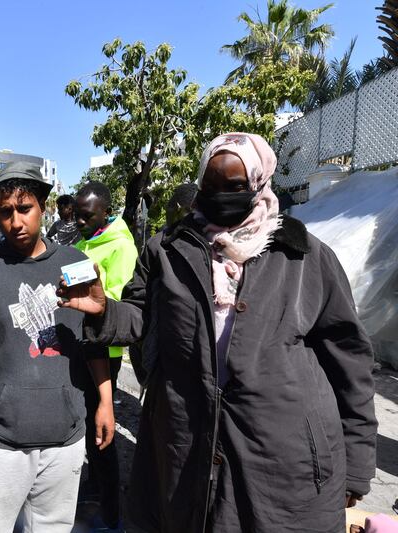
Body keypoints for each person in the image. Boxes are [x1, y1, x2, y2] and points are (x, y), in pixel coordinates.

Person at [59, 133, 377, 532]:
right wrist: (105, 312)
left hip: (284, 460)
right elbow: (139, 317)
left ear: (259, 184)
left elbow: (348, 359)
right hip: (185, 447)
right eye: (212, 186)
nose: (222, 196)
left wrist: (358, 463)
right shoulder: (167, 250)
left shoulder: (303, 256)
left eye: (236, 187)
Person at [0, 161, 115, 533]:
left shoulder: (76, 262)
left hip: (65, 435)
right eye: (5, 213)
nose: (16, 222)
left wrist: (104, 402)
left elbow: (92, 339)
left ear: (43, 206)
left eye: (25, 209)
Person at [73, 180, 137, 532]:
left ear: (105, 212)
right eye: (78, 216)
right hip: (84, 346)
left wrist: (90, 293)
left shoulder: (121, 247)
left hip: (105, 351)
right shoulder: (86, 241)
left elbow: (122, 303)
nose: (79, 222)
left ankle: (112, 515)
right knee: (89, 427)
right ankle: (96, 487)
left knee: (102, 431)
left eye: (87, 216)